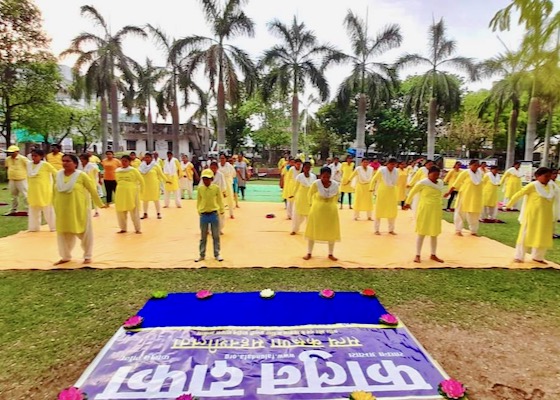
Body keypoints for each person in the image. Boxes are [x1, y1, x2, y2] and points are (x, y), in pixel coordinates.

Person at [53, 154, 104, 265]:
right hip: (62, 209)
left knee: (85, 232)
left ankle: (87, 256)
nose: (65, 163)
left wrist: (100, 204)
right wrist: (53, 205)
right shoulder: (58, 175)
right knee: (63, 233)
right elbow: (54, 191)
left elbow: (92, 189)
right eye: (63, 161)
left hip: (79, 208)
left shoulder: (81, 176)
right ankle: (65, 256)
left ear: (75, 163)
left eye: (68, 161)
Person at [508, 167, 558, 264]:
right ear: (537, 176)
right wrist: (508, 205)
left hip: (546, 217)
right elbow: (519, 194)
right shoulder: (533, 186)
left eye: (549, 176)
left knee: (542, 236)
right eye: (546, 176)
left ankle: (538, 257)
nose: (548, 178)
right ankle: (519, 256)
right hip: (532, 216)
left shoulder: (552, 187)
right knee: (525, 235)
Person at [404, 166, 445, 263]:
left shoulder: (440, 183)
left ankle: (433, 254)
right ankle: (417, 255)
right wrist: (407, 203)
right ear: (428, 174)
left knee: (434, 233)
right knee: (421, 232)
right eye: (434, 175)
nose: (436, 177)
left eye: (437, 175)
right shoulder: (422, 183)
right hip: (425, 209)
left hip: (436, 210)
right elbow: (412, 193)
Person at [304, 167, 340, 261]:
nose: (326, 179)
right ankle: (309, 252)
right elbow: (309, 194)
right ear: (320, 176)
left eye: (328, 177)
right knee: (313, 230)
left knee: (331, 231)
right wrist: (311, 204)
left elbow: (337, 196)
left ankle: (331, 254)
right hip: (317, 210)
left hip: (331, 211)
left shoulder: (335, 184)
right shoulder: (316, 184)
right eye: (324, 177)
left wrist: (333, 204)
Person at [446, 159, 484, 236]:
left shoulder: (481, 173)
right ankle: (458, 230)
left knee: (474, 214)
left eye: (477, 165)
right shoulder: (465, 173)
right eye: (474, 165)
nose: (476, 167)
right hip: (465, 195)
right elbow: (456, 183)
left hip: (476, 197)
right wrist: (449, 192)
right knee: (460, 212)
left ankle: (473, 231)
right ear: (470, 165)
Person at [195, 169, 224, 262]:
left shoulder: (216, 188)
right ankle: (202, 254)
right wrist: (199, 210)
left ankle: (217, 254)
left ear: (212, 179)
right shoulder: (200, 189)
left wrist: (221, 210)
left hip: (214, 214)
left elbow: (220, 200)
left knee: (216, 235)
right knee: (203, 236)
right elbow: (199, 200)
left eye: (207, 179)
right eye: (204, 179)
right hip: (204, 215)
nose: (205, 181)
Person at [27, 149, 57, 231]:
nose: (33, 157)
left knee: (48, 209)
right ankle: (34, 227)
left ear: (41, 157)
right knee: (33, 209)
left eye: (36, 156)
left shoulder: (46, 165)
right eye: (32, 155)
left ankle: (53, 227)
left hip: (44, 191)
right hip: (33, 191)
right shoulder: (28, 165)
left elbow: (56, 173)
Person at [115, 155, 145, 234]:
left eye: (125, 161)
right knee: (120, 211)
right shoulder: (117, 171)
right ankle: (123, 228)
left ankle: (137, 229)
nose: (123, 163)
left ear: (129, 162)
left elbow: (141, 181)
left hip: (131, 193)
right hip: (120, 193)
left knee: (134, 211)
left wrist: (141, 192)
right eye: (122, 161)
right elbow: (117, 181)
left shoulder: (134, 170)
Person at [370, 158, 399, 235]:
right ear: (388, 163)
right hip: (382, 191)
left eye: (394, 164)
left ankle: (391, 229)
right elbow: (374, 179)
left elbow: (396, 182)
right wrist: (371, 188)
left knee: (392, 211)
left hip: (392, 192)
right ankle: (376, 229)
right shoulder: (381, 170)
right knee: (379, 210)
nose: (393, 166)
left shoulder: (396, 171)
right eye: (391, 164)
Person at [289, 161, 316, 235]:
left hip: (309, 198)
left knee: (310, 215)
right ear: (303, 168)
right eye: (306, 167)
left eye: (309, 167)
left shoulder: (313, 176)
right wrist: (293, 194)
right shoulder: (299, 177)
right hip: (300, 198)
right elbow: (296, 187)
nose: (307, 169)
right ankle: (295, 229)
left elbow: (315, 188)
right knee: (297, 215)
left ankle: (310, 230)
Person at [139, 153, 167, 219]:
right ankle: (145, 213)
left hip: (154, 185)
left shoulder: (156, 166)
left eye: (148, 157)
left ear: (151, 158)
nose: (147, 159)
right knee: (145, 200)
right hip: (145, 185)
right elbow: (138, 174)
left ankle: (158, 213)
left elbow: (161, 174)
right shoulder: (141, 165)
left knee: (156, 199)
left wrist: (166, 180)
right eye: (146, 157)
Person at [4, 145, 30, 216]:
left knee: (26, 195)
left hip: (22, 179)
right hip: (12, 179)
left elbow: (30, 166)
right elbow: (7, 167)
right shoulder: (8, 159)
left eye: (12, 152)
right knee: (13, 196)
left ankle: (29, 210)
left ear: (17, 152)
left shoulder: (23, 159)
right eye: (10, 152)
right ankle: (13, 210)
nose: (11, 154)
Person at [210, 161, 227, 234]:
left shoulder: (220, 175)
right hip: (209, 196)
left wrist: (224, 192)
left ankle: (219, 228)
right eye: (212, 168)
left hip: (218, 196)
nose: (213, 169)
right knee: (209, 212)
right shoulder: (207, 174)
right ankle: (208, 229)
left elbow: (223, 185)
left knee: (220, 213)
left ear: (217, 168)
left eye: (215, 168)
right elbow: (202, 184)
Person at [218, 154, 236, 218]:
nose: (222, 160)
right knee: (220, 198)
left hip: (227, 182)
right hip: (220, 183)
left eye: (223, 158)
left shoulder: (229, 166)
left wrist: (228, 178)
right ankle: (220, 213)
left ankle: (231, 213)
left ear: (226, 159)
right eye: (221, 158)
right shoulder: (218, 165)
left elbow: (234, 174)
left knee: (230, 198)